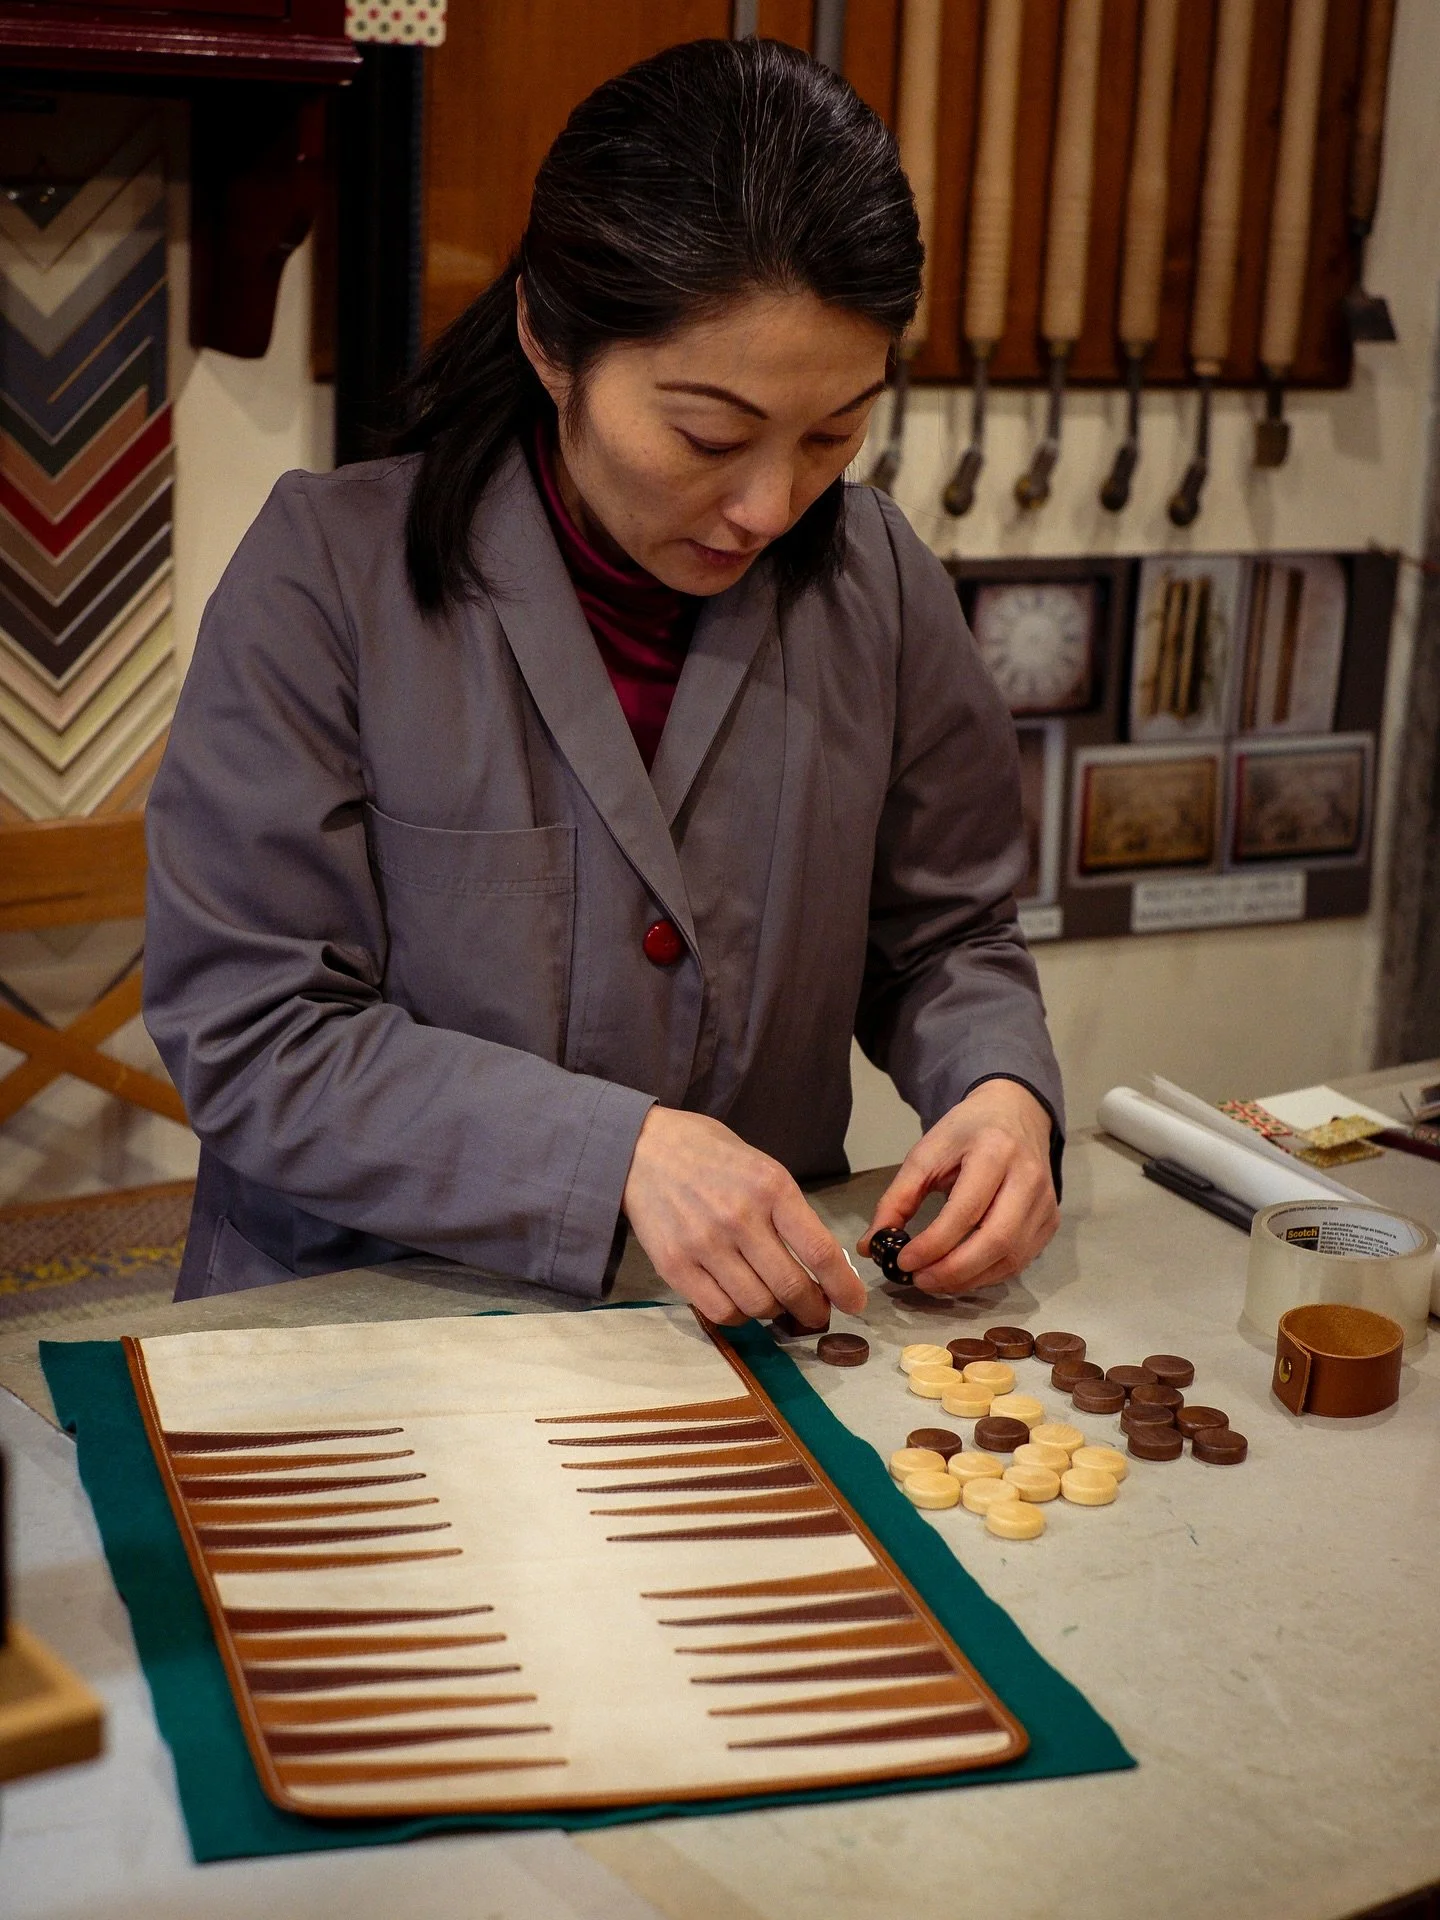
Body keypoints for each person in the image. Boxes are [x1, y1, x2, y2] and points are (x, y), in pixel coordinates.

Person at [144, 37, 1063, 1324]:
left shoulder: (880, 587)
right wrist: (614, 1152)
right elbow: (254, 1029)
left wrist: (1000, 1094)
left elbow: (946, 937)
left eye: (833, 437)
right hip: (374, 1319)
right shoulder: (329, 580)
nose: (766, 505)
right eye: (709, 435)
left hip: (755, 1333)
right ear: (549, 334)